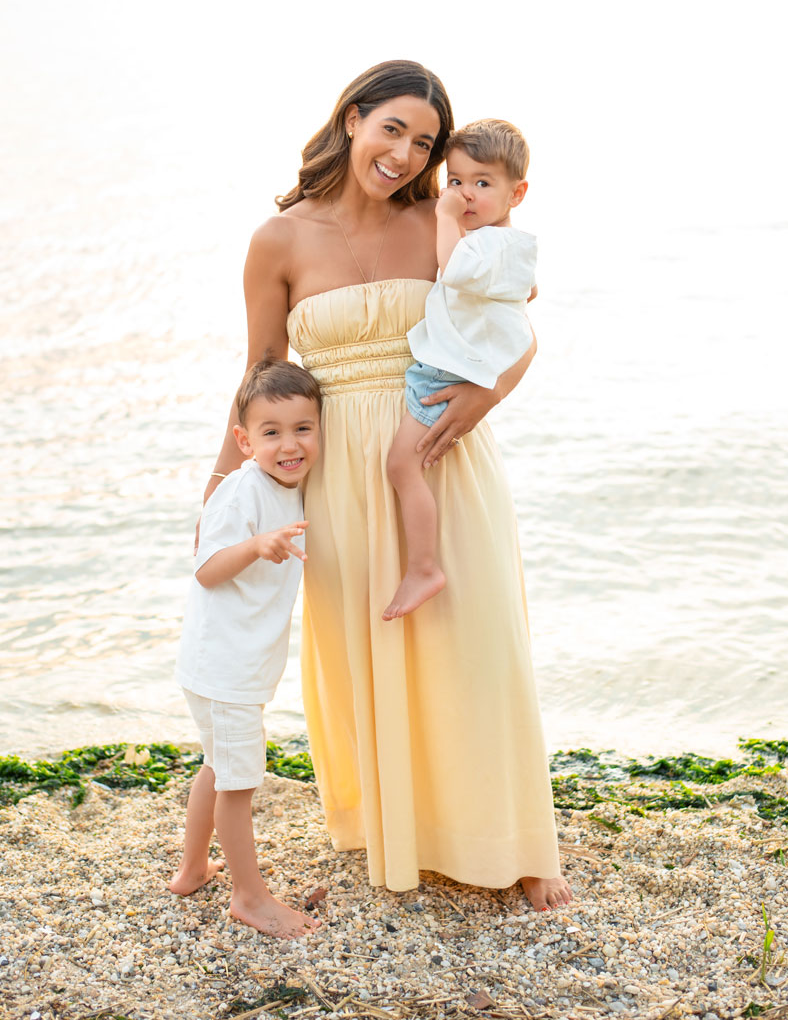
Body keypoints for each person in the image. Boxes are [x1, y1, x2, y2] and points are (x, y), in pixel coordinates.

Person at [203, 60, 572, 911]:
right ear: (352, 119)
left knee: (477, 643)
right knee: (368, 650)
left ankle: (516, 841)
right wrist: (225, 492)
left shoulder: (445, 227)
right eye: (393, 129)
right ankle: (402, 826)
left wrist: (480, 405)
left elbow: (513, 332)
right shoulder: (279, 240)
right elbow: (263, 371)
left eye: (426, 143)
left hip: (440, 453)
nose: (406, 155)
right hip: (334, 479)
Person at [171, 358, 323, 938]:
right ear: (243, 440)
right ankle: (249, 896)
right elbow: (207, 570)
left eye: (303, 428)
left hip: (225, 666)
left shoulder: (288, 484)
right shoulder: (241, 493)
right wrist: (257, 545)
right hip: (225, 668)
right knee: (239, 783)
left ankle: (190, 871)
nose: (290, 444)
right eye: (271, 432)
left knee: (218, 765)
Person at [383, 119, 538, 621]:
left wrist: (445, 215)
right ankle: (423, 563)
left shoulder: (483, 243)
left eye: (482, 184)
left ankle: (424, 567)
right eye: (456, 181)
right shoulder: (503, 242)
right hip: (448, 366)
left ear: (517, 193)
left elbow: (451, 266)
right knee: (409, 467)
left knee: (401, 465)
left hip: (443, 376)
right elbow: (522, 291)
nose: (465, 195)